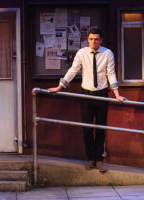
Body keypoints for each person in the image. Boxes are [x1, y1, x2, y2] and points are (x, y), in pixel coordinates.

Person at [48, 28, 127, 172]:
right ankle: (90, 158)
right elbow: (73, 70)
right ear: (87, 40)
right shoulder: (82, 53)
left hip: (102, 93)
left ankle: (99, 160)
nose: (93, 42)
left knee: (101, 128)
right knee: (87, 129)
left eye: (96, 39)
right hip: (86, 94)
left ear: (101, 40)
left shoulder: (107, 53)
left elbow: (111, 74)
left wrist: (117, 94)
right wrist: (60, 87)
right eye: (91, 39)